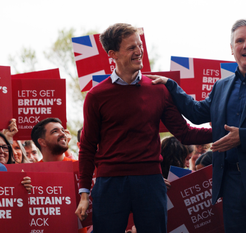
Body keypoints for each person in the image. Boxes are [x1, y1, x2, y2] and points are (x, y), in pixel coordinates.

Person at [149, 19, 246, 233]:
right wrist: (171, 86)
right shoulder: (221, 86)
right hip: (231, 188)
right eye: (240, 41)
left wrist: (244, 136)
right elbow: (196, 112)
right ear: (232, 49)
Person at [75, 23, 212, 233]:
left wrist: (224, 132)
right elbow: (87, 147)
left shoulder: (158, 90)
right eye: (131, 47)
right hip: (109, 183)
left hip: (150, 182)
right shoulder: (95, 96)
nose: (139, 51)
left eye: (139, 45)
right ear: (113, 54)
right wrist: (84, 193)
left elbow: (184, 133)